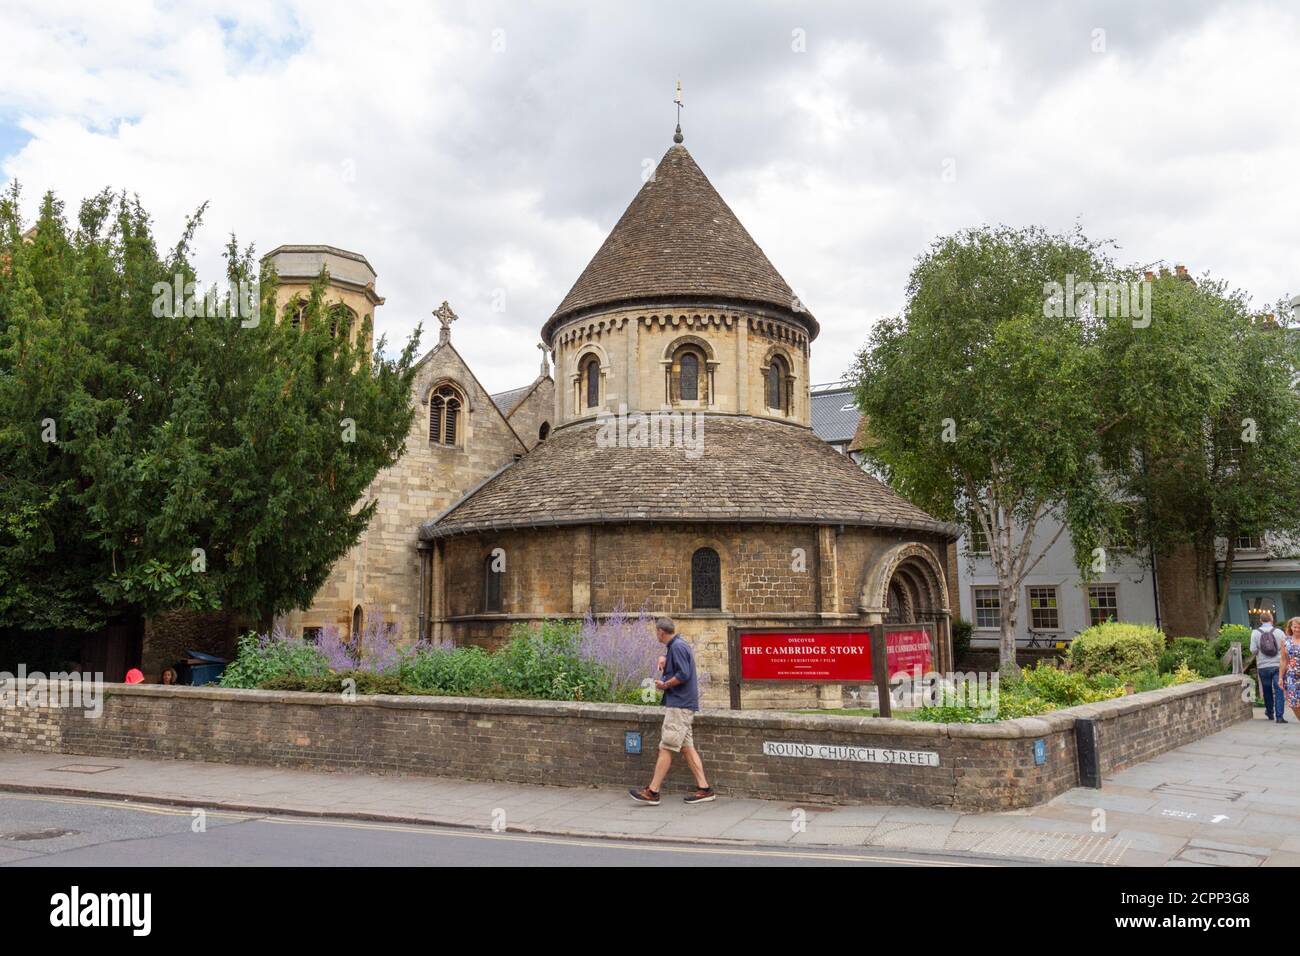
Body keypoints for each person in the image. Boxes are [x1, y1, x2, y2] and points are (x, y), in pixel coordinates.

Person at [628, 617, 715, 805]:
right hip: (683, 704)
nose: (655, 634)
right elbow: (679, 664)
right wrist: (665, 659)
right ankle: (705, 789)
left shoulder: (677, 647)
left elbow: (683, 674)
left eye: (656, 632)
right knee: (686, 747)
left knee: (666, 746)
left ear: (660, 631)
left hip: (679, 705)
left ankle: (653, 791)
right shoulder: (676, 645)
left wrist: (664, 685)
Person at [1251, 611, 1286, 723]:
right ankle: (1279, 717)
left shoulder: (1255, 633)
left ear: (1260, 620)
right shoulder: (1279, 632)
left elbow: (1253, 650)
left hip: (1263, 666)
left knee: (1267, 690)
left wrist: (1260, 651)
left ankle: (1270, 713)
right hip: (1278, 665)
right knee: (1279, 689)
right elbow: (1285, 648)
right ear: (1272, 620)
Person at [1280, 616, 1300, 723]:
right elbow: (1283, 660)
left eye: (1299, 627)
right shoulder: (1285, 641)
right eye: (1295, 627)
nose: (1297, 629)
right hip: (1291, 677)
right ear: (1291, 627)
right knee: (1293, 704)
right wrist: (1280, 678)